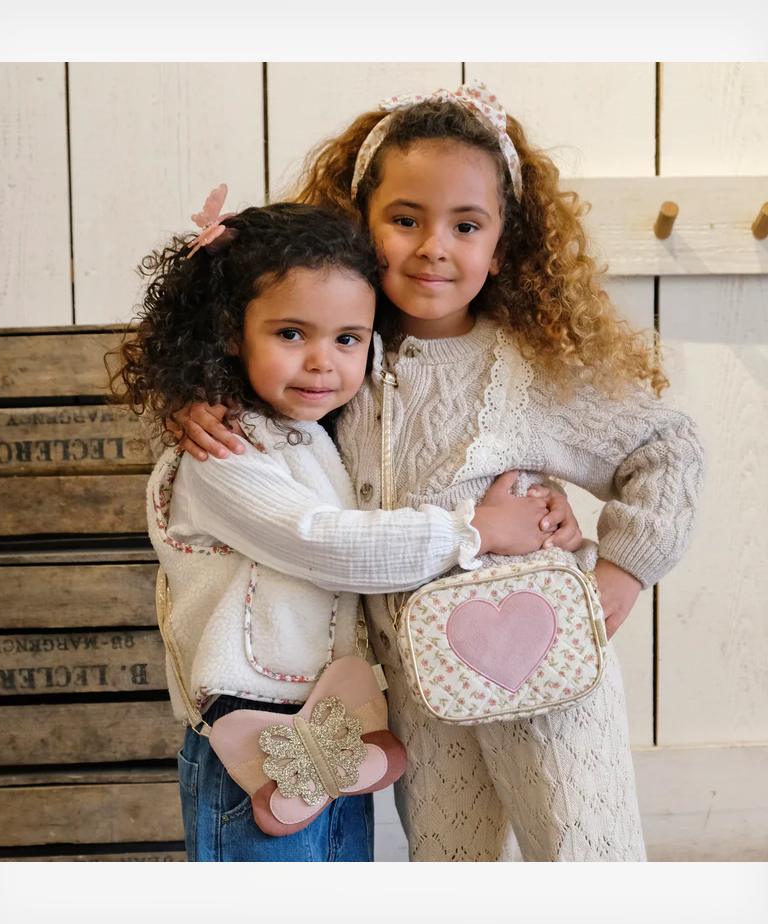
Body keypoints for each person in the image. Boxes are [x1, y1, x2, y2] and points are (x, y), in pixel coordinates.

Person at [172, 82, 704, 862]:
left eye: (466, 225)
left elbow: (666, 447)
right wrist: (193, 396)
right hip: (420, 691)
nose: (434, 247)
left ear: (502, 245)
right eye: (405, 219)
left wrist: (623, 571)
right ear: (360, 222)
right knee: (450, 860)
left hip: (544, 671)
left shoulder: (528, 368)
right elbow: (251, 380)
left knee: (586, 853)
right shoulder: (338, 354)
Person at [112, 197, 582, 862]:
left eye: (347, 339)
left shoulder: (317, 431)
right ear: (228, 332)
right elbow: (326, 542)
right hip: (249, 741)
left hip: (336, 729)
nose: (322, 363)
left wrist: (538, 501)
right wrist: (474, 529)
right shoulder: (220, 453)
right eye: (291, 334)